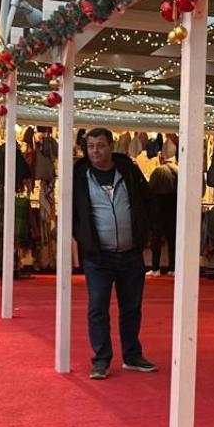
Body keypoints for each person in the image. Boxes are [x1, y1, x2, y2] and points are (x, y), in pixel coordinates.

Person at [72, 128, 157, 380]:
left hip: (131, 254)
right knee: (97, 307)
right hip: (98, 256)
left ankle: (132, 355)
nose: (95, 151)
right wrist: (81, 237)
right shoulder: (79, 175)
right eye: (90, 146)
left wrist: (146, 231)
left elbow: (146, 199)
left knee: (131, 307)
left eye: (100, 145)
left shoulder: (128, 171)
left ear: (111, 146)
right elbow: (72, 209)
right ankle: (101, 359)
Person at [147, 158, 178, 276]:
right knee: (172, 238)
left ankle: (155, 268)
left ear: (162, 159)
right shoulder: (178, 171)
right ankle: (173, 268)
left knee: (156, 237)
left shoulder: (158, 171)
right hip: (174, 206)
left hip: (158, 206)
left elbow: (149, 190)